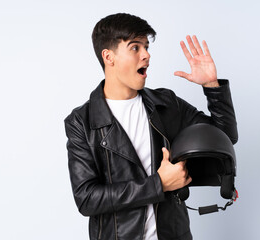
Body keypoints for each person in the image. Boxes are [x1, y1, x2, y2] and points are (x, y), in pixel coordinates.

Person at [64, 13, 238, 240]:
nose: (146, 55)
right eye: (135, 48)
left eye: (146, 47)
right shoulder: (82, 122)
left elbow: (224, 137)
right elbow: (87, 199)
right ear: (109, 57)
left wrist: (212, 86)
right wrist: (159, 184)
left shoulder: (166, 104)